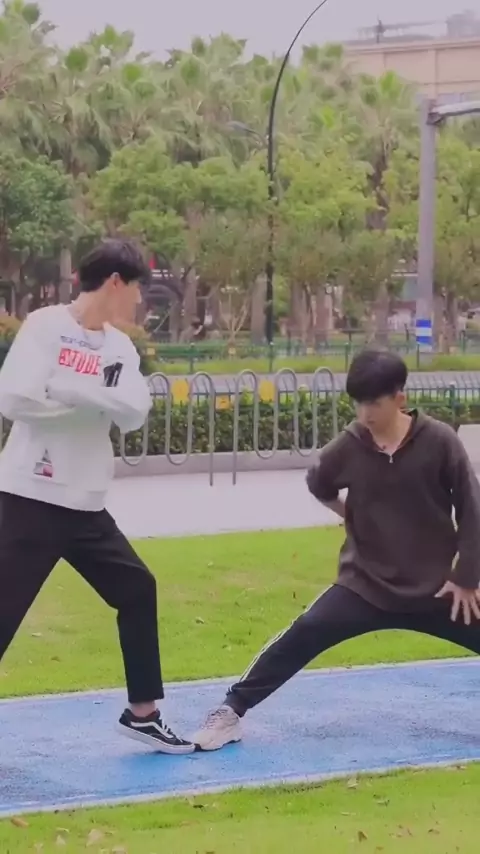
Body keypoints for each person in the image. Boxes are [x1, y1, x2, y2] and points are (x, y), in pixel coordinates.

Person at [193, 349, 480, 751]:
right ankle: (230, 711)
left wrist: (466, 578)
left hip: (436, 587)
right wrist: (351, 515)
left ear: (399, 398)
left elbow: (472, 509)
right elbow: (319, 483)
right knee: (305, 631)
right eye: (358, 403)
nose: (365, 414)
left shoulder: (440, 441)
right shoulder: (349, 445)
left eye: (374, 403)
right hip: (364, 584)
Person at [0, 239, 194, 755]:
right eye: (136, 289)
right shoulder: (44, 326)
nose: (139, 301)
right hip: (30, 498)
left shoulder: (120, 348)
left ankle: (142, 714)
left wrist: (71, 391)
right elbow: (15, 398)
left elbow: (133, 413)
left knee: (137, 589)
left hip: (85, 505)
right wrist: (93, 403)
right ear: (114, 282)